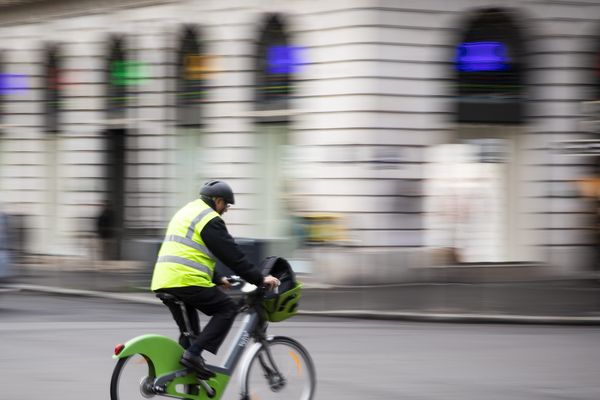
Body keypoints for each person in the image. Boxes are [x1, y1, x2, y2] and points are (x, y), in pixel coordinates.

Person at [151, 180, 280, 379]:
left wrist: (218, 278)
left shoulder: (188, 211)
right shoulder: (209, 218)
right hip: (185, 280)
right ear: (217, 201)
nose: (226, 210)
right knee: (227, 309)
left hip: (166, 278)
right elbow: (232, 255)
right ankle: (193, 356)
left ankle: (181, 377)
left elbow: (187, 251)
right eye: (226, 205)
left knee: (191, 337)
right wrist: (260, 279)